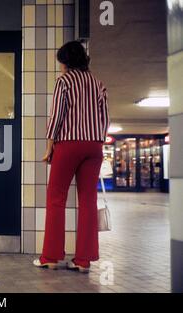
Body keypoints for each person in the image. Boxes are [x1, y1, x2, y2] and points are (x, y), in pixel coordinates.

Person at [33, 41, 110, 273]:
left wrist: (49, 148)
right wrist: (97, 141)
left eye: (61, 63)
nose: (60, 68)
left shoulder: (64, 82)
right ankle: (83, 260)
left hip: (68, 145)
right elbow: (105, 118)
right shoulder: (99, 84)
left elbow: (56, 116)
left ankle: (51, 256)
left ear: (66, 62)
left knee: (56, 198)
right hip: (94, 146)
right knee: (88, 200)